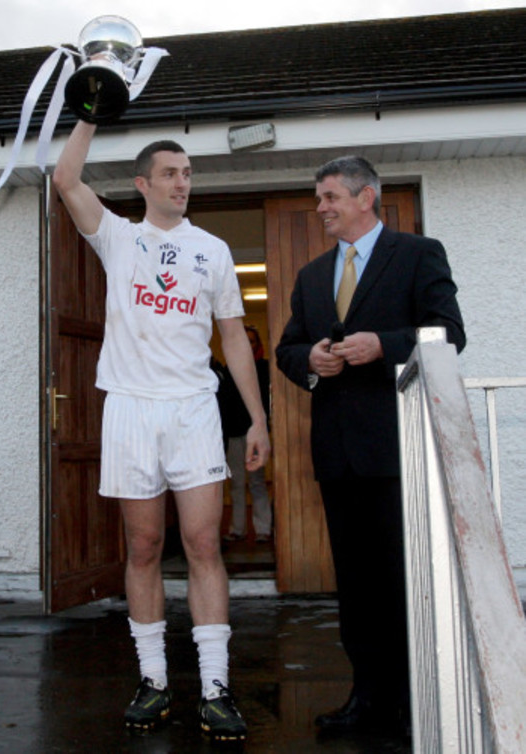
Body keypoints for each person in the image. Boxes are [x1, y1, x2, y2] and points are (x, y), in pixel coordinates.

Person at [53, 121, 270, 743]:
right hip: (129, 408)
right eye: (171, 174)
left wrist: (257, 418)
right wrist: (92, 109)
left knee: (204, 544)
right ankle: (152, 681)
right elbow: (65, 179)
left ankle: (215, 687)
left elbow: (232, 335)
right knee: (144, 547)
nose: (183, 183)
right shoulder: (118, 237)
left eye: (188, 174)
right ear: (143, 183)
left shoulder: (214, 249)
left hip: (194, 410)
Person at [275, 156, 465, 737]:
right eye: (319, 198)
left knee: (401, 580)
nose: (322, 208)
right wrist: (309, 358)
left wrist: (383, 345)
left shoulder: (417, 254)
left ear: (366, 197)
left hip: (398, 451)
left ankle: (414, 705)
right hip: (337, 456)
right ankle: (368, 699)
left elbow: (449, 333)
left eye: (331, 197)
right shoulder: (310, 277)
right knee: (355, 586)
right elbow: (287, 349)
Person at [221, 325, 272, 543]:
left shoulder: (265, 369)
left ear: (257, 344)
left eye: (252, 341)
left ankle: (263, 529)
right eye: (245, 340)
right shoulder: (227, 370)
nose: (248, 345)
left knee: (257, 482)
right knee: (236, 484)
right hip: (234, 434)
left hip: (255, 433)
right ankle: (237, 529)